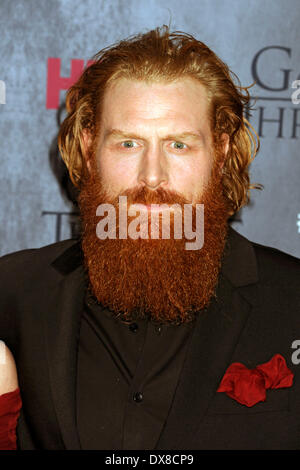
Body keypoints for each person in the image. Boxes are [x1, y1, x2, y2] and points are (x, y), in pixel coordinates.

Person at [0, 25, 299, 450]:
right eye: (127, 144)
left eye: (179, 145)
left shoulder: (293, 299)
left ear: (222, 151)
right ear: (89, 148)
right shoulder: (15, 291)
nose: (152, 176)